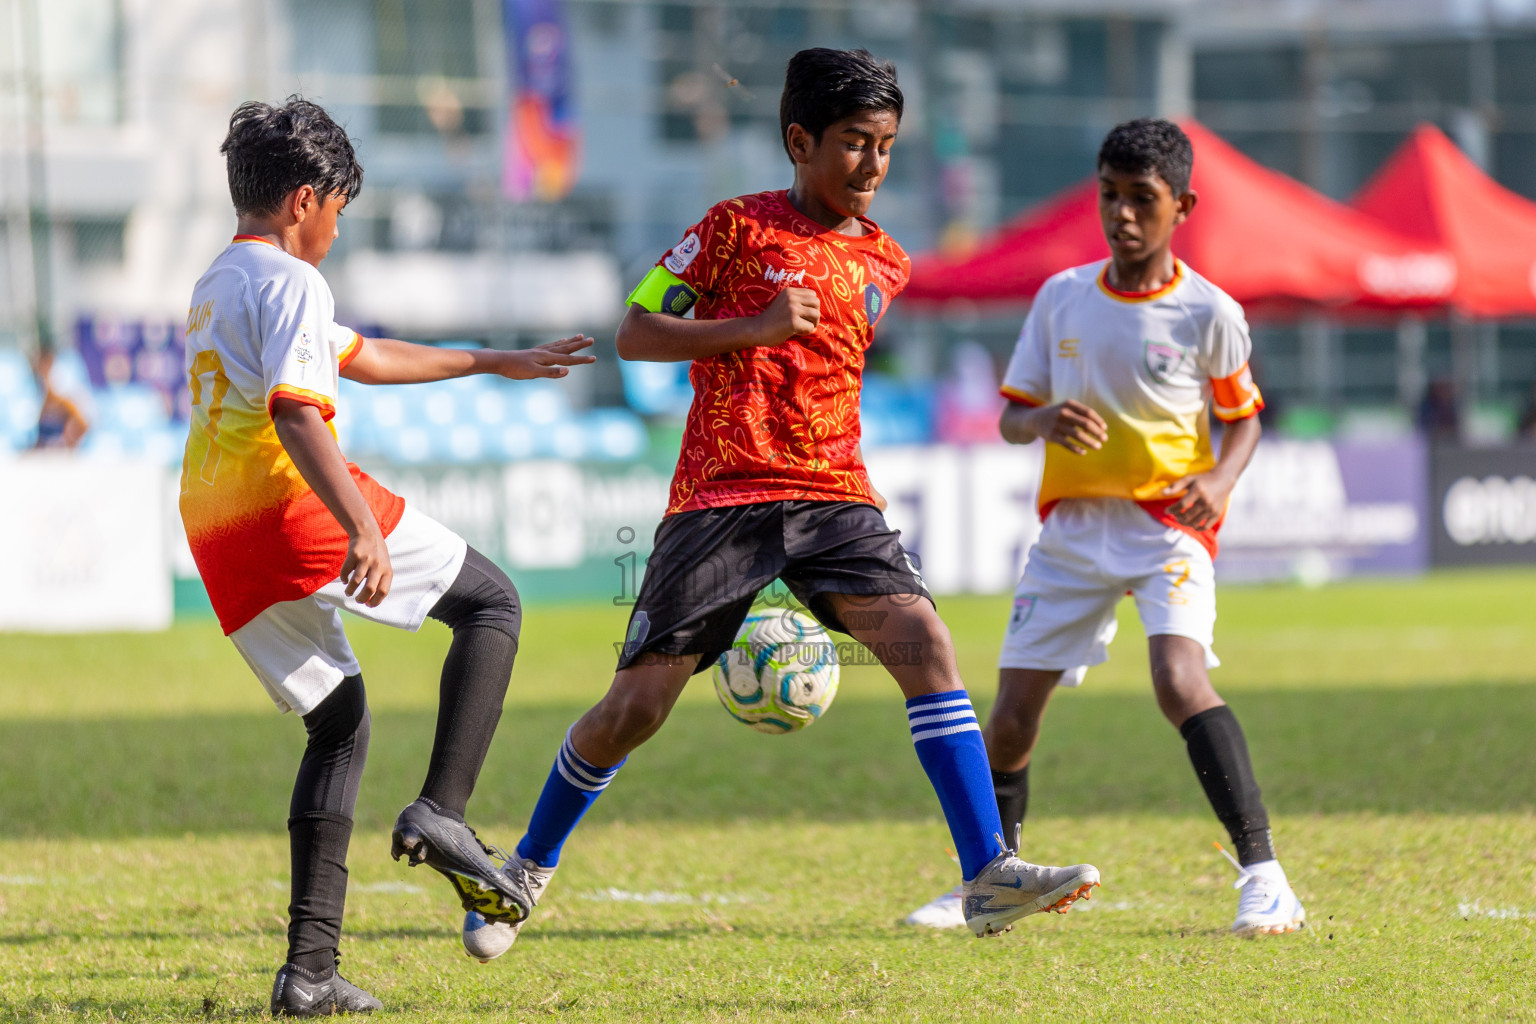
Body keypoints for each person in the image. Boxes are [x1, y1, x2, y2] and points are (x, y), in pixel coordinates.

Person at [457, 48, 1100, 963]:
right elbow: (636, 333)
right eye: (852, 145)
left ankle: (987, 869)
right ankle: (525, 865)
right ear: (800, 141)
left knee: (927, 646)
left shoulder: (888, 261)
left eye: (884, 147)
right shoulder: (731, 229)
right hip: (725, 494)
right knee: (635, 707)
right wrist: (749, 329)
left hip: (835, 493)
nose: (872, 166)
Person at [179, 98, 593, 1015]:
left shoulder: (220, 281)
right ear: (302, 199)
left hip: (216, 532)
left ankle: (310, 975)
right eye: (338, 209)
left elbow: (363, 357)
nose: (336, 228)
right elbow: (295, 409)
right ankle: (444, 807)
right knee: (493, 604)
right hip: (287, 509)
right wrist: (360, 524)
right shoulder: (292, 281)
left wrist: (493, 360)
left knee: (339, 726)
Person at [904, 119, 1304, 938]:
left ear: (1183, 206)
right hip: (1073, 532)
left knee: (1178, 679)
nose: (1122, 215)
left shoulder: (1209, 312)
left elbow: (1245, 419)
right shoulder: (1062, 297)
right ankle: (992, 880)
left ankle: (1265, 876)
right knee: (1012, 716)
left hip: (1165, 526)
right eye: (1109, 196)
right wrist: (1046, 417)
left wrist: (1220, 482)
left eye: (1142, 199)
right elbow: (1015, 419)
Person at [32, 350, 89, 449]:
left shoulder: (66, 403)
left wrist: (69, 440)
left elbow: (84, 425)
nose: (44, 379)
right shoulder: (42, 403)